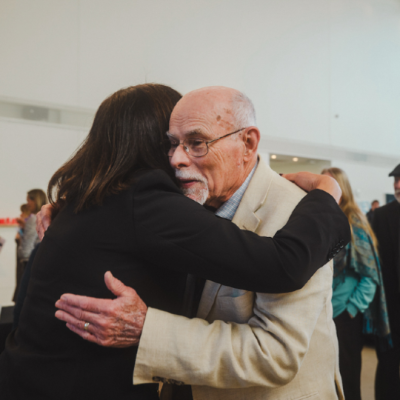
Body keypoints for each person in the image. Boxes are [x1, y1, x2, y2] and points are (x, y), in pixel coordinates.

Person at [0, 84, 348, 400]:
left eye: (196, 143)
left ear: (248, 143)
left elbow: (275, 352)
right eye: (170, 144)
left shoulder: (293, 211)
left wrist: (327, 196)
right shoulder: (170, 201)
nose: (177, 158)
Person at [322, 167, 391, 400]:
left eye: (330, 184)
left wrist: (351, 310)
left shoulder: (354, 223)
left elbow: (370, 276)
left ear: (342, 188)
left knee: (347, 380)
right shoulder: (324, 219)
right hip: (324, 314)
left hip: (344, 316)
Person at [372, 163, 400, 400]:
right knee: (389, 366)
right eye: (395, 180)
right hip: (390, 308)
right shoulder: (380, 217)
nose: (398, 185)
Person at [13, 190, 47, 301]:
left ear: (35, 201)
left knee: (23, 299)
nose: (27, 204)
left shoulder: (33, 219)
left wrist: (20, 247)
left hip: (29, 263)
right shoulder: (46, 217)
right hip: (42, 262)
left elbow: (26, 251)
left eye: (29, 200)